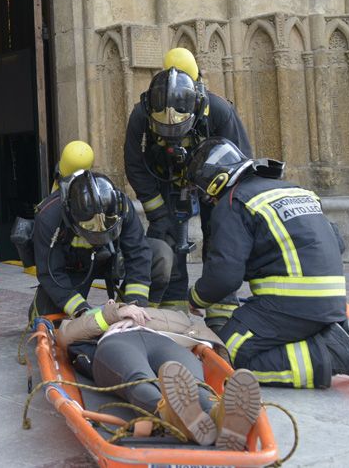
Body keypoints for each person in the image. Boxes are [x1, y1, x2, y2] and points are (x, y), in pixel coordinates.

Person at [184, 138, 349, 393]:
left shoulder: (233, 202)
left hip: (290, 303)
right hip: (332, 298)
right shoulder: (294, 190)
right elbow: (337, 242)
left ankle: (326, 356)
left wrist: (195, 299)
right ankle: (335, 333)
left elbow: (225, 275)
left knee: (224, 355)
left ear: (215, 182)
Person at [124, 47, 251, 324]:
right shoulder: (141, 114)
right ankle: (173, 310)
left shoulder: (218, 111)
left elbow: (241, 166)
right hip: (164, 183)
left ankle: (222, 311)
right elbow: (135, 165)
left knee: (221, 239)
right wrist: (157, 213)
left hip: (215, 187)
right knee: (165, 242)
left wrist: (225, 210)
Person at [55, 300, 262, 450]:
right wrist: (115, 313)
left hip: (164, 340)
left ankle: (219, 416)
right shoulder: (100, 315)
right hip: (117, 341)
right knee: (139, 379)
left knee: (194, 382)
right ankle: (173, 416)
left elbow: (201, 332)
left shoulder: (159, 314)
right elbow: (66, 336)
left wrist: (214, 353)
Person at [31, 169, 155, 318]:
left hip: (111, 261)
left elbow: (139, 253)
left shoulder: (121, 206)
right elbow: (51, 274)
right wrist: (82, 312)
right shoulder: (48, 217)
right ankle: (38, 310)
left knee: (160, 255)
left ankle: (134, 312)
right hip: (73, 269)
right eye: (91, 230)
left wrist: (134, 305)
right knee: (52, 316)